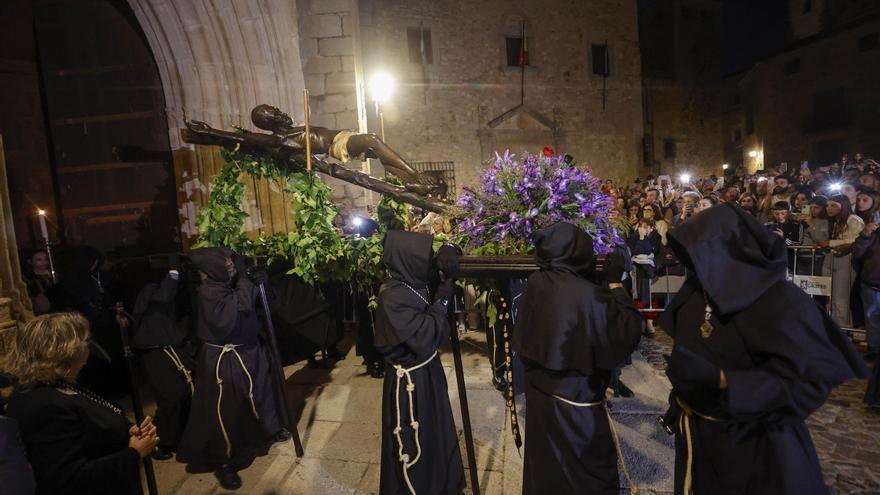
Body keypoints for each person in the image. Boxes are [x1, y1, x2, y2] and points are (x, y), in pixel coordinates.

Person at [657, 203, 868, 495]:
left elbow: (808, 384)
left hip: (756, 446)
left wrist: (725, 380)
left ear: (729, 249)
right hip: (698, 437)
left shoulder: (780, 300)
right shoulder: (697, 290)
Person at [513, 222, 642, 494]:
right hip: (576, 408)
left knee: (547, 472)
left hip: (542, 399)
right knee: (584, 478)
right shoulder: (590, 296)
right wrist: (616, 284)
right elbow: (625, 334)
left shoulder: (536, 283)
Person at [5, 313, 158, 495]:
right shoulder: (44, 405)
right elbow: (67, 479)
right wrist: (133, 453)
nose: (89, 347)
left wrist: (126, 430)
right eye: (85, 342)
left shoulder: (55, 383)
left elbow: (89, 429)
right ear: (66, 351)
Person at [176, 247, 283, 490]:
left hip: (250, 350)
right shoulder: (208, 292)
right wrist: (246, 280)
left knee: (262, 393)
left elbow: (262, 303)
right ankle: (222, 461)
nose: (230, 265)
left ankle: (267, 431)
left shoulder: (232, 283)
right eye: (224, 263)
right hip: (225, 358)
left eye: (230, 261)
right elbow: (239, 307)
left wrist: (262, 283)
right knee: (225, 411)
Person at [374, 231, 465, 495]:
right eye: (424, 258)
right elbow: (427, 336)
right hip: (410, 383)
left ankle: (442, 481)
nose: (430, 262)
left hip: (428, 372)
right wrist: (443, 299)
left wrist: (449, 247)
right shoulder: (391, 296)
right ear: (407, 259)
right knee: (417, 440)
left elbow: (446, 262)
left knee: (436, 430)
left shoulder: (414, 280)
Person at [130, 255, 195, 461]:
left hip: (165, 348)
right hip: (154, 352)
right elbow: (164, 296)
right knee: (171, 397)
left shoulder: (156, 289)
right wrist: (173, 273)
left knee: (183, 391)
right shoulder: (148, 289)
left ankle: (174, 436)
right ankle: (158, 440)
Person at [818, 195, 865, 327]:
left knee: (840, 299)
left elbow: (855, 241)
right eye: (827, 205)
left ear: (843, 205)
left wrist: (829, 242)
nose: (829, 208)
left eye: (833, 205)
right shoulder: (837, 221)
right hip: (833, 257)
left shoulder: (853, 219)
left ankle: (843, 331)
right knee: (829, 296)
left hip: (846, 259)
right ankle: (833, 328)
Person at [21, 249, 57, 315]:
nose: (43, 262)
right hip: (41, 311)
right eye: (39, 260)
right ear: (30, 261)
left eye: (46, 259)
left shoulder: (54, 275)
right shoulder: (29, 279)